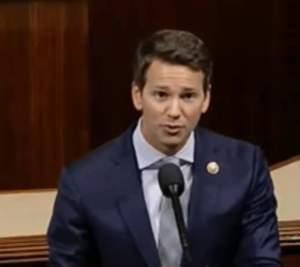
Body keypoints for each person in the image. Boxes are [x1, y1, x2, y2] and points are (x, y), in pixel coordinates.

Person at [47, 29, 281, 267]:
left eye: (188, 96)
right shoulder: (84, 182)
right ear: (137, 95)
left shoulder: (244, 168)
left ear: (206, 98)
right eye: (161, 95)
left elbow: (262, 260)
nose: (174, 112)